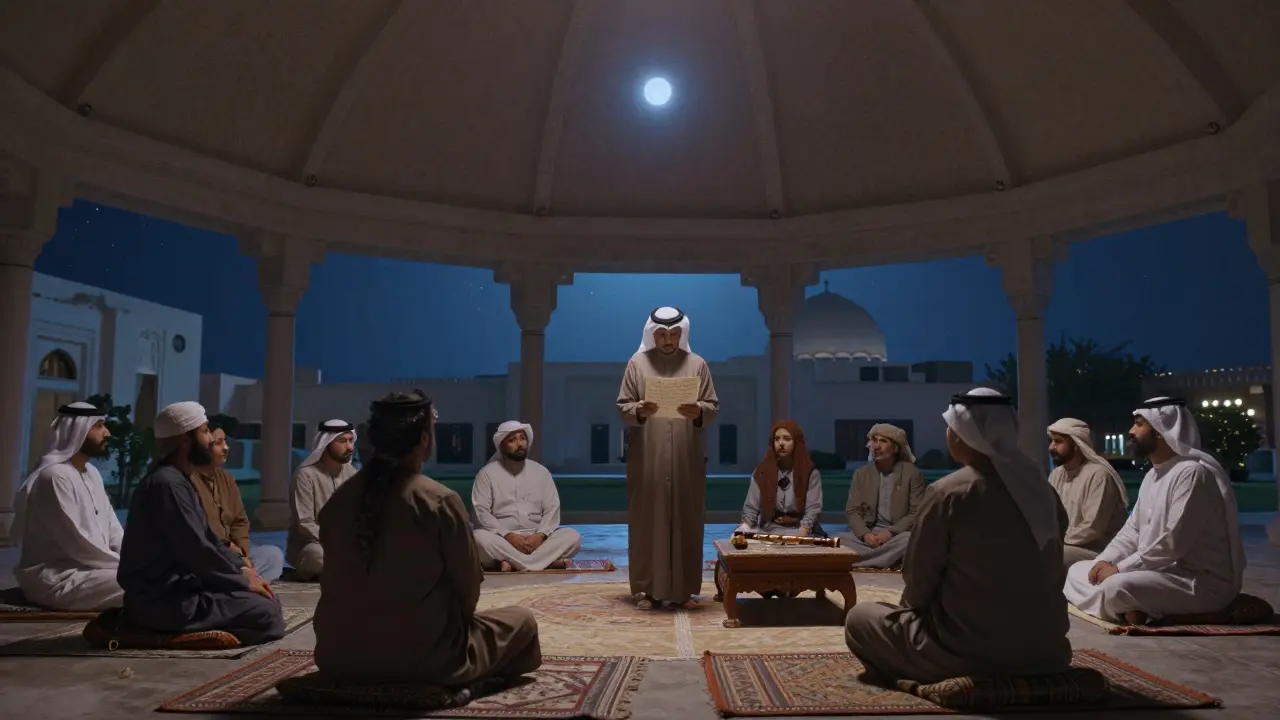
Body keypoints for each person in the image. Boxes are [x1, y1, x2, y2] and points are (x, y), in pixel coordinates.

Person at [844, 389, 1071, 686]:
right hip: (1046, 652)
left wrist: (917, 615)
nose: (947, 434)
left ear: (963, 434)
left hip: (966, 650)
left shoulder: (950, 491)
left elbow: (918, 581)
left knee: (860, 619)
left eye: (950, 427)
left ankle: (941, 674)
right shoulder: (1043, 489)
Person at [313, 391, 542, 684]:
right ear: (424, 439)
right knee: (522, 622)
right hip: (422, 659)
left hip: (337, 657)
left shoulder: (338, 501)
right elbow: (467, 591)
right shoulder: (438, 500)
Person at [1064, 397, 1245, 626]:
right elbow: (1132, 530)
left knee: (1117, 586)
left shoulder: (1191, 474)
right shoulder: (1153, 475)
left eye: (1139, 424)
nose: (1131, 431)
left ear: (1161, 430)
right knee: (1079, 571)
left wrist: (1119, 569)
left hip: (1197, 581)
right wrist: (1105, 561)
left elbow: (1172, 542)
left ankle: (1134, 607)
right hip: (1157, 573)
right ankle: (1135, 609)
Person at [117, 402, 284, 643]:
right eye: (205, 431)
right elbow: (196, 549)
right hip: (163, 599)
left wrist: (242, 569)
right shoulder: (167, 484)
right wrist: (241, 580)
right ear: (186, 440)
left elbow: (209, 542)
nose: (210, 439)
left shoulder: (178, 480)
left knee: (267, 601)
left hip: (183, 589)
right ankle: (161, 634)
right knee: (266, 614)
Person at [616, 307, 719, 610]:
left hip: (686, 459)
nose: (668, 340)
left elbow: (712, 405)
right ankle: (647, 590)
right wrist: (639, 410)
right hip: (648, 460)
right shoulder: (636, 364)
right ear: (652, 334)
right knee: (649, 521)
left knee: (686, 519)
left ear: (682, 334)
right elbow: (623, 406)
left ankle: (685, 590)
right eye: (662, 334)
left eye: (674, 334)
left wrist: (700, 411)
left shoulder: (697, 365)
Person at [11, 402, 124, 611]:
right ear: (77, 430)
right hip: (58, 576)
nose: (106, 432)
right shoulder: (54, 477)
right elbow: (77, 544)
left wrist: (136, 558)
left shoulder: (92, 473)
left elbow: (114, 530)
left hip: (94, 569)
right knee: (145, 585)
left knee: (158, 579)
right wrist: (129, 565)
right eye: (99, 426)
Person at [471, 421, 583, 572]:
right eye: (512, 440)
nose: (519, 444)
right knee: (478, 538)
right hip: (503, 539)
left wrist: (540, 535)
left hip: (537, 540)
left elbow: (552, 508)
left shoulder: (541, 472)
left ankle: (514, 564)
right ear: (501, 446)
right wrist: (508, 535)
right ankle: (546, 563)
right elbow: (481, 512)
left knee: (572, 536)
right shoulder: (486, 474)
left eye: (522, 438)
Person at [190, 420, 285, 581]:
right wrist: (232, 552)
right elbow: (200, 529)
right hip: (208, 552)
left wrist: (243, 553)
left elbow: (240, 522)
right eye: (218, 443)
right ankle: (241, 581)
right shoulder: (188, 480)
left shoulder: (227, 479)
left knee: (273, 556)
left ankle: (239, 581)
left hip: (234, 554)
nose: (226, 448)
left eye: (225, 441)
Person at [837, 424, 927, 569]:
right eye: (874, 441)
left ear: (896, 447)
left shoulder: (912, 473)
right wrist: (865, 534)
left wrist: (890, 533)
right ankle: (887, 560)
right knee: (838, 539)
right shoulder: (861, 474)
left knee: (911, 540)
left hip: (897, 535)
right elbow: (853, 511)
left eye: (883, 441)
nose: (876, 446)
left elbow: (917, 512)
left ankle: (863, 561)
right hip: (868, 536)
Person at [1047, 418, 1129, 570]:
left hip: (1100, 552)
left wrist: (1055, 541)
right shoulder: (1056, 475)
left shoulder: (1098, 475)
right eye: (1051, 441)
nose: (1051, 447)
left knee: (1052, 555)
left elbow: (1092, 529)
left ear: (1076, 445)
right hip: (1066, 545)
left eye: (1058, 441)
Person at [286, 419, 358, 580]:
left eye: (350, 440)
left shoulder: (352, 474)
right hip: (313, 544)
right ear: (327, 443)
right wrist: (336, 540)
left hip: (346, 544)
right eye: (342, 441)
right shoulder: (306, 475)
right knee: (317, 555)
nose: (349, 447)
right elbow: (305, 523)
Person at [737, 420, 825, 537]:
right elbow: (751, 508)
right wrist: (745, 527)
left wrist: (803, 531)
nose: (781, 443)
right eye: (777, 439)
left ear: (796, 442)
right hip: (768, 531)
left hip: (801, 531)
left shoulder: (809, 473)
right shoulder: (761, 472)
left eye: (787, 439)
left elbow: (813, 509)